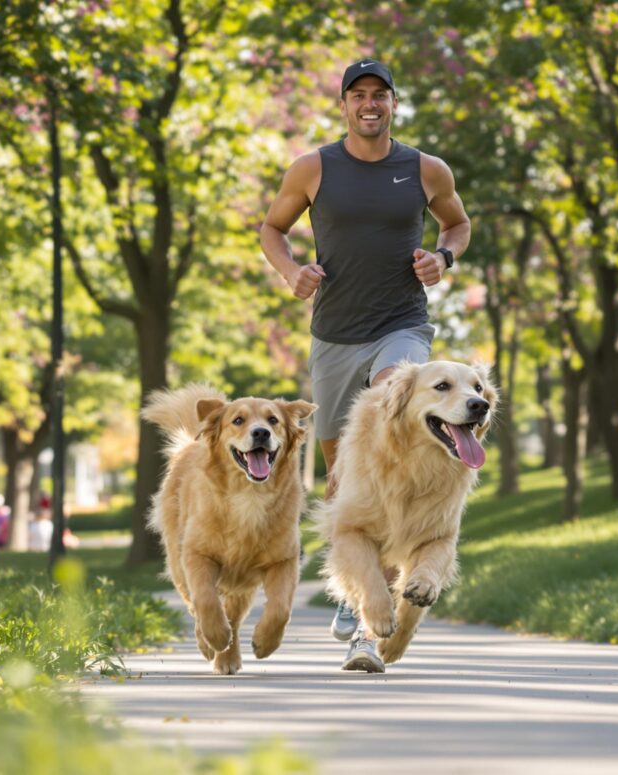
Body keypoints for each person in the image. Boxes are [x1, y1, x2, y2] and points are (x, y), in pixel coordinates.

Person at [260, 59, 471, 672]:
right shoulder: (314, 168)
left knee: (389, 405)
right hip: (333, 334)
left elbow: (456, 225)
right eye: (359, 95)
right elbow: (273, 229)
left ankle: (372, 609)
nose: (370, 104)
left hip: (401, 327)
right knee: (341, 477)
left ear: (394, 103)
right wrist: (291, 271)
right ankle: (354, 592)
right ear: (345, 106)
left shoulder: (425, 168)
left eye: (380, 94)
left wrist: (443, 258)